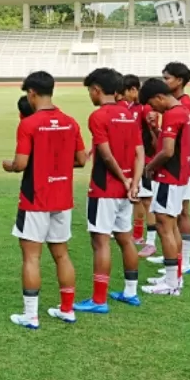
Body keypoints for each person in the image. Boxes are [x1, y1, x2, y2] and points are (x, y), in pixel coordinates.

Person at [4, 71, 88, 329]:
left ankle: (31, 316)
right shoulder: (70, 122)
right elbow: (82, 160)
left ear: (31, 93)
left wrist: (8, 165)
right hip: (62, 198)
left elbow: (21, 164)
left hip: (35, 199)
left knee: (31, 257)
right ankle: (67, 309)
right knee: (62, 255)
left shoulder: (28, 124)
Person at [73, 68, 145, 314]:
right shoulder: (129, 114)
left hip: (104, 189)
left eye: (89, 91)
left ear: (96, 90)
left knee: (100, 241)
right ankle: (130, 292)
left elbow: (105, 153)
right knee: (125, 238)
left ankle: (99, 299)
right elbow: (139, 152)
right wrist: (134, 183)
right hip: (126, 191)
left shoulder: (98, 116)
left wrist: (124, 180)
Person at [138, 78, 190, 296]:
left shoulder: (172, 114)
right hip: (178, 177)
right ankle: (174, 276)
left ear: (160, 97)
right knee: (172, 226)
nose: (154, 110)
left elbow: (168, 151)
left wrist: (149, 167)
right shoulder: (182, 111)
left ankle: (171, 284)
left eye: (153, 104)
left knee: (165, 226)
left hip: (168, 177)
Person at [152, 62, 190, 275]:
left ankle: (184, 261)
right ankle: (175, 258)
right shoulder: (177, 104)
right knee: (172, 216)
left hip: (181, 169)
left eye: (167, 78)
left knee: (180, 214)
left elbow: (174, 146)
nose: (164, 82)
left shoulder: (183, 105)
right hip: (180, 167)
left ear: (179, 81)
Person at [122, 75, 159, 253]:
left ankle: (151, 241)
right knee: (136, 198)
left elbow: (153, 133)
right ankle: (137, 234)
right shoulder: (125, 108)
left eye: (126, 91)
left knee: (147, 200)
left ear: (134, 90)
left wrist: (150, 156)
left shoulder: (144, 109)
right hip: (132, 161)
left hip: (144, 161)